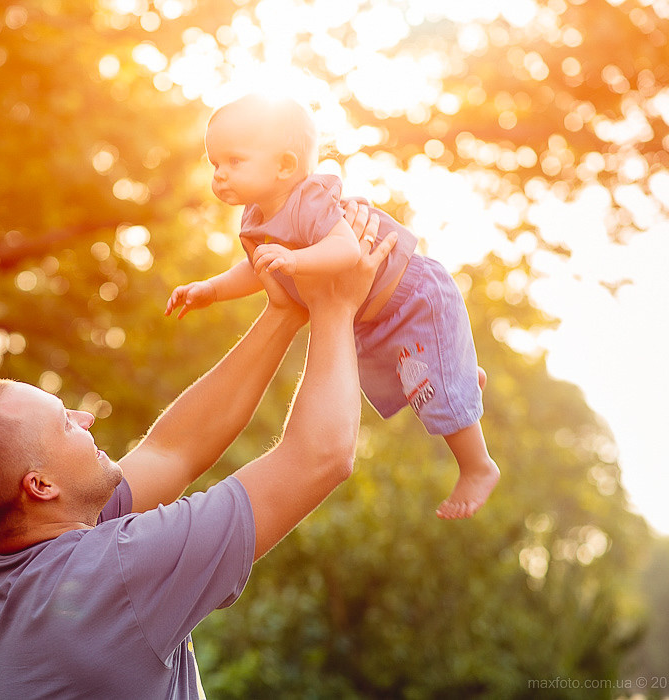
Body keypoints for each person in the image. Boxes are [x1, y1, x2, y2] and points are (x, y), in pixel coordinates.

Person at [0, 206, 396, 699]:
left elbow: (172, 451)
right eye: (66, 422)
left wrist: (285, 315)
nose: (85, 419)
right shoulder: (118, 574)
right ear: (40, 486)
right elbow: (320, 456)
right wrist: (336, 308)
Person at [166, 93, 500, 519]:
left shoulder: (310, 200)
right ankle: (456, 375)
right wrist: (210, 289)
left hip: (412, 298)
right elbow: (256, 268)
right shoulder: (255, 218)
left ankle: (477, 466)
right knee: (412, 385)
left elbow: (345, 250)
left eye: (234, 161)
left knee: (426, 387)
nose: (220, 175)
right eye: (215, 164)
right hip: (374, 318)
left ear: (285, 165)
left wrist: (296, 259)